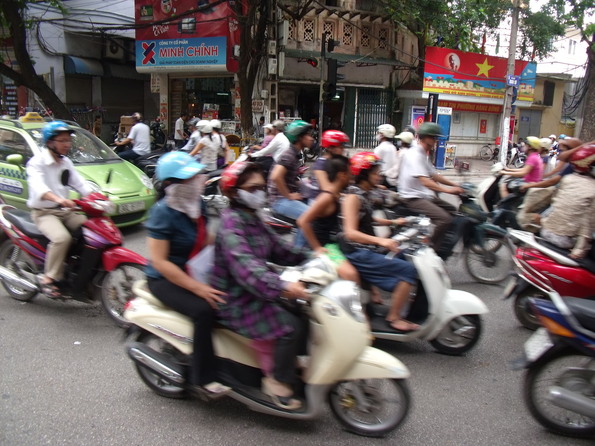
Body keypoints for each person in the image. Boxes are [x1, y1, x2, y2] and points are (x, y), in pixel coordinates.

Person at [212, 161, 309, 410]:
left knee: (302, 310)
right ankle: (276, 381)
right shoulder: (231, 223)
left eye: (261, 187)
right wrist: (282, 287)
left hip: (254, 290)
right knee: (289, 326)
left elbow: (280, 249)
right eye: (252, 188)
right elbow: (246, 266)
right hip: (235, 300)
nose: (260, 192)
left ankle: (290, 362)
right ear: (235, 192)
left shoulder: (253, 217)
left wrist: (313, 257)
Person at [145, 151, 231, 398]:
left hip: (195, 268)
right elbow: (161, 262)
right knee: (204, 310)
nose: (198, 180)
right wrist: (199, 288)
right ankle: (203, 378)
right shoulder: (163, 212)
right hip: (165, 278)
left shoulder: (197, 204)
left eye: (196, 175)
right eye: (189, 178)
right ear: (171, 185)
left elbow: (206, 239)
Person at [340, 152, 418, 331]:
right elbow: (350, 232)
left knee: (403, 256)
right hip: (356, 252)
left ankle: (397, 299)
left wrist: (393, 222)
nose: (379, 175)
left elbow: (368, 219)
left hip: (366, 248)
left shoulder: (364, 194)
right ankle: (394, 317)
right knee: (408, 271)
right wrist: (381, 241)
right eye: (375, 173)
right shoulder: (353, 197)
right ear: (364, 175)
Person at [26, 121, 93, 298]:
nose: (67, 144)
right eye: (62, 140)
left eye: (68, 140)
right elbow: (39, 187)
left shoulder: (66, 163)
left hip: (65, 211)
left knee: (91, 229)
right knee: (62, 238)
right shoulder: (36, 163)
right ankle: (49, 277)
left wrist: (97, 197)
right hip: (44, 212)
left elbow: (80, 184)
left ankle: (77, 268)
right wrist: (58, 199)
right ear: (50, 143)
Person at [398, 122, 463, 250]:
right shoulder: (414, 154)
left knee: (452, 210)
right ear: (424, 137)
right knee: (445, 219)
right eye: (433, 138)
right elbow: (425, 181)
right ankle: (429, 247)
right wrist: (449, 191)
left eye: (436, 138)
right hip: (412, 197)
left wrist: (455, 184)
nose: (435, 141)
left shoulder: (422, 153)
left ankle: (441, 243)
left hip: (422, 194)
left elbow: (434, 175)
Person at [297, 155, 359, 281]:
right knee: (352, 275)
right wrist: (317, 248)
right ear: (342, 175)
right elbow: (302, 221)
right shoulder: (327, 197)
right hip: (326, 245)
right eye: (350, 173)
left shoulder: (337, 194)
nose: (352, 178)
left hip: (335, 242)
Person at [539, 145, 595, 258]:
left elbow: (555, 201)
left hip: (545, 231)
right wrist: (579, 251)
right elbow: (588, 223)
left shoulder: (567, 179)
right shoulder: (593, 188)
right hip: (565, 240)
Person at [517, 138, 583, 230]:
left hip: (562, 197)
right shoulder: (572, 164)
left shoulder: (574, 166)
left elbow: (553, 180)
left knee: (539, 218)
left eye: (562, 150)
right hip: (557, 190)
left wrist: (530, 185)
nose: (561, 153)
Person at [268, 120, 313, 247]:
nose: (311, 139)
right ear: (299, 138)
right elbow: (276, 176)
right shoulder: (289, 155)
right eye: (308, 135)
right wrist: (288, 195)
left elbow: (291, 178)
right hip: (279, 200)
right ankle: (298, 252)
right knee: (309, 216)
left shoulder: (296, 153)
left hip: (285, 197)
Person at [304, 129, 349, 200]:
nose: (342, 150)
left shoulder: (336, 162)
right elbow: (326, 187)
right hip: (317, 200)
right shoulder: (321, 163)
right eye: (340, 147)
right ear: (331, 148)